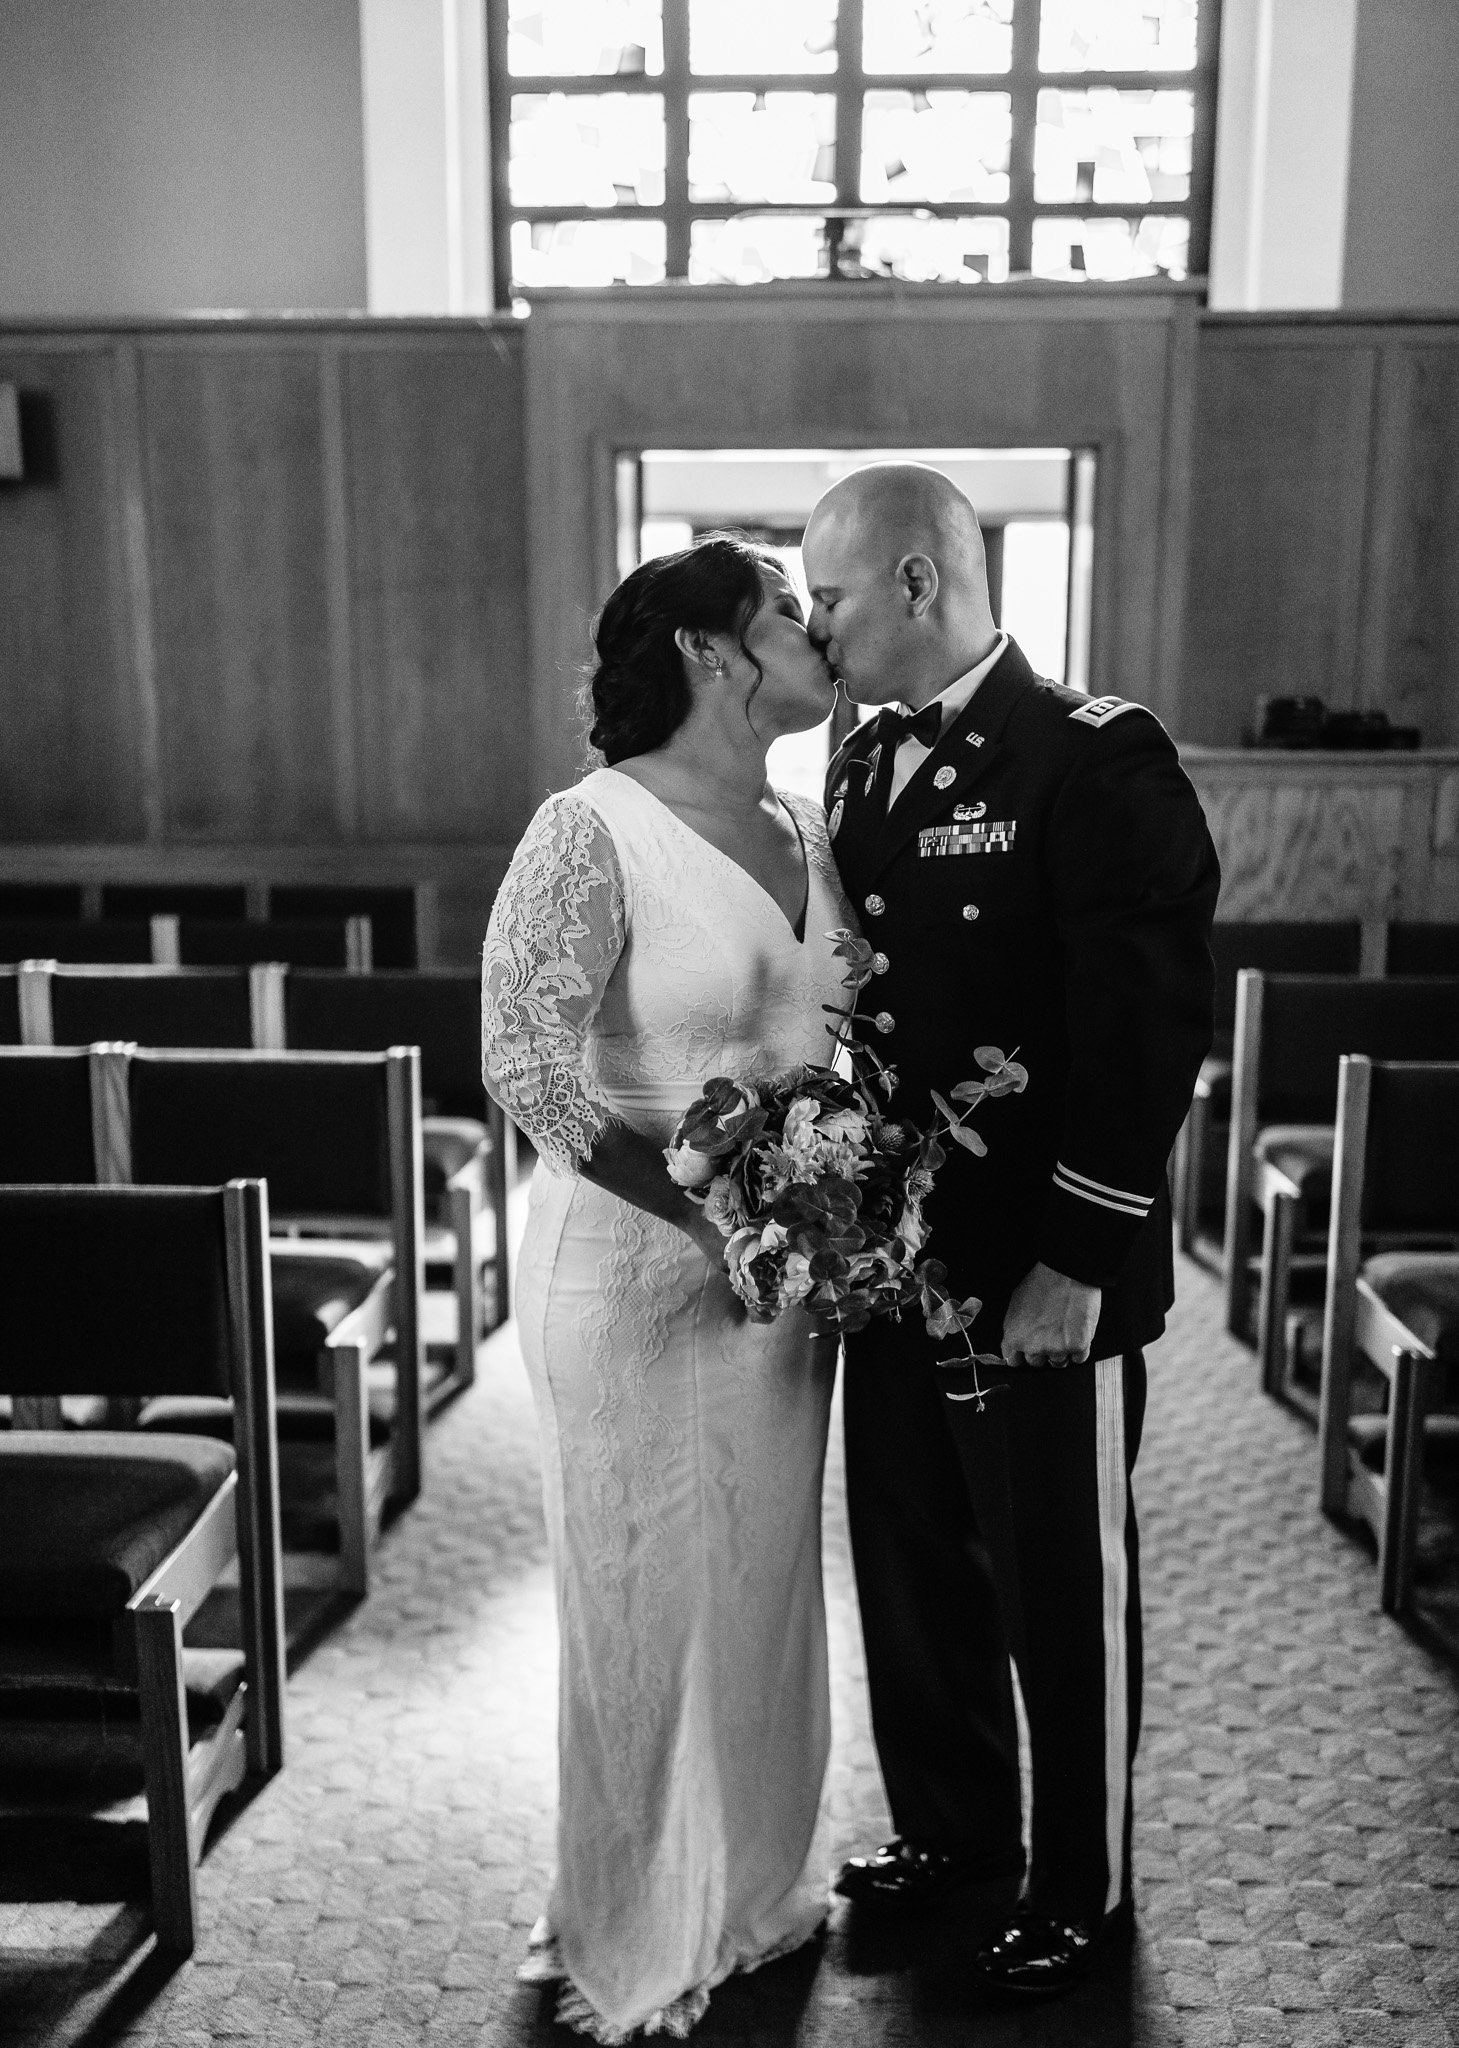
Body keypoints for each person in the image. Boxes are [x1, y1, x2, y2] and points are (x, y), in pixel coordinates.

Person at [802, 463, 1219, 1997]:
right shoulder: (859, 765)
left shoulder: (1092, 756)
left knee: (1060, 1580)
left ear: (919, 586)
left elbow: (1149, 1025)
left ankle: (1080, 1880)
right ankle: (956, 1829)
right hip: (898, 1264)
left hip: (1042, 1264)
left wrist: (1081, 1257)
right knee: (910, 1561)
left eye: (830, 596)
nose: (815, 624)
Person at [482, 535, 853, 2042]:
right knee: (650, 1590)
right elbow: (525, 1066)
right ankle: (636, 1911)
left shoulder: (810, 825)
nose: (817, 631)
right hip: (634, 1269)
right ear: (711, 650)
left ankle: (754, 1889)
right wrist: (705, 1222)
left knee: (761, 1580)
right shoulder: (591, 830)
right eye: (786, 611)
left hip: (786, 1286)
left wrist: (837, 1202)